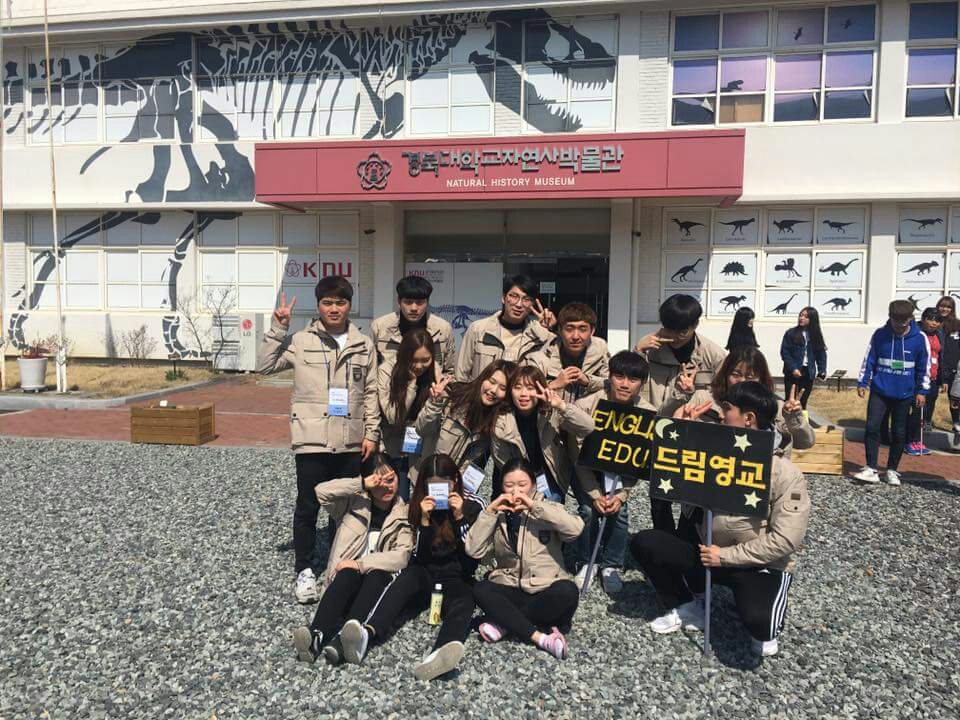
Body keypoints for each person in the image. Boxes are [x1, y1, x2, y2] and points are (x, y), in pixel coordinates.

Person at [630, 381, 811, 658]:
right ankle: (690, 604)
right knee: (645, 543)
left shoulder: (785, 472)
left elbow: (786, 540)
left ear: (748, 419)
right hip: (708, 553)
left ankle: (761, 605)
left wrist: (724, 556)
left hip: (755, 564)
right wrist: (683, 433)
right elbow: (670, 478)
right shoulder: (712, 454)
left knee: (761, 627)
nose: (721, 415)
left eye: (727, 409)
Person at [258, 276, 380, 604]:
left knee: (345, 506)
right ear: (318, 306)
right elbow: (265, 366)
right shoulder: (301, 340)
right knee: (308, 505)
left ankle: (340, 567)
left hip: (351, 439)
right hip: (312, 439)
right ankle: (304, 569)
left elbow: (371, 392)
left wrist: (371, 433)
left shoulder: (363, 344)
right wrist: (278, 327)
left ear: (350, 305)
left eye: (340, 302)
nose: (334, 309)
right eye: (327, 303)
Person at [346, 454, 484, 680]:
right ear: (425, 484)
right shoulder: (417, 503)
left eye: (445, 484)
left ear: (455, 481)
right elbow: (419, 557)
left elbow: (471, 561)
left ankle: (438, 655)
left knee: (465, 601)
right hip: (426, 572)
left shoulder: (473, 504)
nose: (440, 491)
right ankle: (366, 634)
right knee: (405, 580)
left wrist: (460, 518)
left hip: (456, 576)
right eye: (433, 485)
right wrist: (425, 522)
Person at [292, 453, 412, 664]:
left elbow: (402, 556)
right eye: (378, 481)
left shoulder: (404, 514)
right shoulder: (352, 504)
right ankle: (315, 635)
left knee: (376, 574)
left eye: (391, 479)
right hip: (344, 586)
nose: (386, 487)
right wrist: (361, 484)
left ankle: (342, 641)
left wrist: (360, 564)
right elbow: (321, 492)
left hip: (375, 589)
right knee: (348, 573)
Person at [467, 458, 584, 660]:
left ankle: (506, 622)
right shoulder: (498, 514)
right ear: (501, 486)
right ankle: (541, 637)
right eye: (509, 485)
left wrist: (533, 506)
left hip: (544, 588)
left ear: (533, 485)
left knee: (568, 591)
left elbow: (575, 530)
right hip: (511, 586)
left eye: (522, 485)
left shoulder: (547, 508)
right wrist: (490, 511)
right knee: (481, 589)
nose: (516, 491)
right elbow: (473, 550)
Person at [634, 294, 726, 532]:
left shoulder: (713, 355)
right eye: (669, 328)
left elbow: (727, 397)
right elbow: (627, 381)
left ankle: (689, 539)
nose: (674, 336)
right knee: (659, 493)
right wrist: (637, 351)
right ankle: (663, 537)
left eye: (681, 331)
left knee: (694, 492)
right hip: (660, 430)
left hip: (697, 434)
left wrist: (698, 401)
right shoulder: (651, 348)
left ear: (695, 325)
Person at [572, 350, 657, 594]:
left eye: (633, 379)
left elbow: (637, 463)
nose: (625, 384)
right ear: (609, 377)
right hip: (586, 470)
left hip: (619, 474)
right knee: (588, 511)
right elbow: (576, 456)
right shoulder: (586, 406)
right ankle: (586, 560)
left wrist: (621, 495)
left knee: (619, 513)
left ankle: (611, 565)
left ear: (642, 383)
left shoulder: (647, 413)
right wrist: (594, 493)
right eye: (619, 377)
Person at [852, 300, 930, 486]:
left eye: (904, 321)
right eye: (896, 321)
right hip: (880, 390)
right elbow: (869, 359)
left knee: (899, 432)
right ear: (890, 317)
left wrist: (922, 391)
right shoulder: (880, 334)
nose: (900, 325)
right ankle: (871, 468)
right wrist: (863, 382)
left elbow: (924, 366)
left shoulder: (920, 338)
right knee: (872, 427)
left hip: (905, 393)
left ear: (911, 318)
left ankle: (892, 470)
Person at [491, 365, 595, 500]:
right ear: (510, 391)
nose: (523, 394)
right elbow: (503, 462)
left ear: (541, 389)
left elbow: (588, 427)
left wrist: (561, 406)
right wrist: (529, 493)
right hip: (518, 480)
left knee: (552, 503)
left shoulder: (551, 411)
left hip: (550, 475)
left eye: (530, 388)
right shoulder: (501, 422)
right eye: (517, 387)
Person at [414, 360, 512, 491]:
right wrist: (434, 403)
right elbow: (421, 429)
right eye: (492, 382)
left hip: (455, 490)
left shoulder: (495, 422)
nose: (493, 390)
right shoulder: (452, 396)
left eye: (503, 388)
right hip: (425, 480)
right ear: (483, 378)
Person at [455, 274, 556, 382]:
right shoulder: (478, 330)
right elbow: (460, 376)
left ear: (532, 304)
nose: (519, 304)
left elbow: (553, 373)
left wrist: (549, 329)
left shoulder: (540, 336)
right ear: (504, 298)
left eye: (526, 299)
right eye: (514, 296)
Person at [377, 328, 437, 500]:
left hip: (420, 447)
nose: (419, 366)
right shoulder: (387, 370)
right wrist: (411, 384)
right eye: (414, 360)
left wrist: (437, 399)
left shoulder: (435, 372)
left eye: (425, 360)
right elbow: (393, 417)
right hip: (390, 447)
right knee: (394, 498)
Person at [370, 275, 456, 376]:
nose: (414, 308)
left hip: (430, 385)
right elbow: (371, 371)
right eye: (408, 302)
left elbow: (449, 371)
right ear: (399, 302)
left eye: (419, 303)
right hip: (391, 385)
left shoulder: (443, 329)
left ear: (427, 302)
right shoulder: (380, 327)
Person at [525, 302, 609, 403]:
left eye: (582, 329)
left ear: (592, 331)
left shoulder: (600, 349)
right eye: (569, 329)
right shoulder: (541, 355)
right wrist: (554, 384)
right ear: (560, 330)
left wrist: (588, 381)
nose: (575, 336)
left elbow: (611, 385)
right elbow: (525, 392)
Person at [906, 308, 942, 456]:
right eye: (930, 319)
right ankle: (909, 440)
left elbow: (942, 356)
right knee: (917, 410)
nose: (934, 323)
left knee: (926, 412)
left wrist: (943, 379)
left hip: (933, 378)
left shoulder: (939, 334)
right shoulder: (916, 333)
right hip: (918, 377)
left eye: (937, 320)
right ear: (923, 319)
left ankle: (917, 440)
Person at [780, 307, 827, 411]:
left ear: (812, 319)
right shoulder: (791, 333)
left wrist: (822, 370)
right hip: (792, 372)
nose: (801, 318)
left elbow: (821, 354)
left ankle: (801, 421)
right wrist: (793, 368)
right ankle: (786, 421)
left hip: (808, 372)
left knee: (802, 401)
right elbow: (785, 352)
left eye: (806, 316)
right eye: (801, 315)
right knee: (790, 401)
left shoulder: (816, 335)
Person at [937, 296, 960, 445]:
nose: (944, 309)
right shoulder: (933, 323)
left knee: (955, 401)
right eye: (942, 306)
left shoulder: (958, 325)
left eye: (948, 307)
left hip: (954, 371)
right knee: (929, 398)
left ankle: (957, 427)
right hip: (937, 368)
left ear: (952, 309)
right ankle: (925, 423)